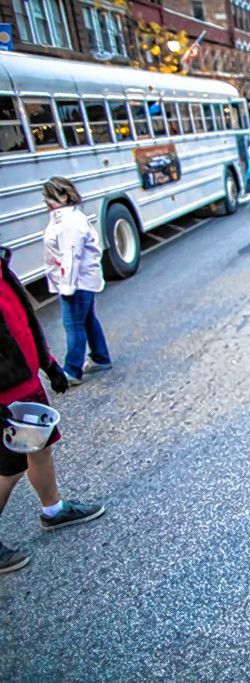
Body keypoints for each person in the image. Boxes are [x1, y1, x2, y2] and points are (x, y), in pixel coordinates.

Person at [1, 246, 103, 574]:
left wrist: (48, 362)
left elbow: (23, 319)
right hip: (5, 389)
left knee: (41, 448)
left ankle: (53, 509)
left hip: (24, 379)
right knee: (11, 467)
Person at [40, 177, 113, 385]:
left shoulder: (69, 223)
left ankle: (72, 371)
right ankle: (100, 357)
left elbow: (70, 257)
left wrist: (67, 288)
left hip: (76, 282)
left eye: (49, 197)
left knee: (73, 325)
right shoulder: (66, 218)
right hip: (80, 281)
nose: (46, 202)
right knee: (88, 319)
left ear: (62, 196)